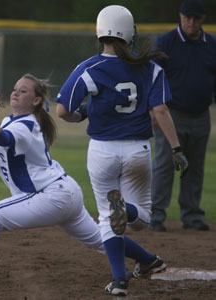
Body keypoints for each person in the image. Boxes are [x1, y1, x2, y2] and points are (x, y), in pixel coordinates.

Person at [55, 5, 188, 297]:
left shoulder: (88, 68)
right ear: (129, 33)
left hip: (102, 151)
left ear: (100, 32)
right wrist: (176, 148)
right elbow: (161, 110)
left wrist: (82, 115)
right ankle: (125, 211)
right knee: (140, 221)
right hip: (137, 150)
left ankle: (119, 280)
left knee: (106, 218)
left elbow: (62, 111)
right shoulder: (151, 68)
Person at [0, 73, 107, 286]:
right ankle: (149, 261)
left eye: (23, 91)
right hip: (64, 191)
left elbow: (4, 138)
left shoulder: (26, 125)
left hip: (50, 195)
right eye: (15, 88)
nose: (15, 92)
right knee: (102, 241)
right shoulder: (11, 120)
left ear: (36, 100)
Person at [149, 0, 216, 232]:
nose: (191, 21)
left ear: (203, 20)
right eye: (187, 17)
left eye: (196, 18)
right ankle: (155, 215)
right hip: (171, 113)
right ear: (180, 16)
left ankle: (192, 215)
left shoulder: (212, 45)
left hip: (201, 114)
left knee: (195, 167)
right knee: (164, 165)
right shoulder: (166, 42)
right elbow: (151, 77)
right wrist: (153, 112)